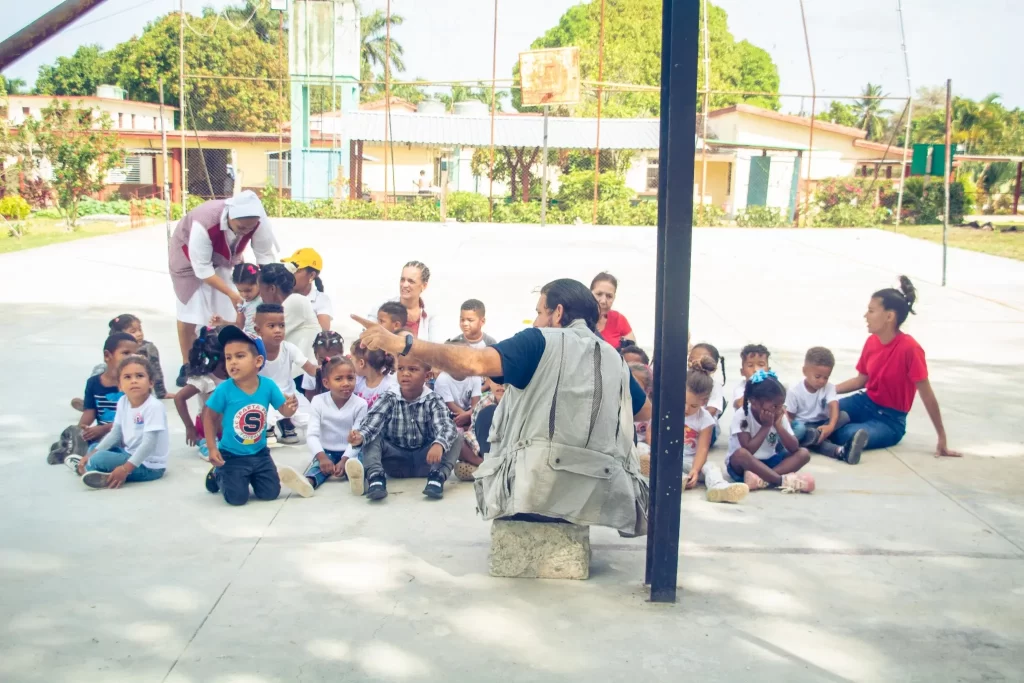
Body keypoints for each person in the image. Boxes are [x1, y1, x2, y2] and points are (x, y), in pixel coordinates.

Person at [351, 278, 653, 535]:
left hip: (540, 490)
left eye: (539, 312)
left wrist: (403, 345)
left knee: (490, 420)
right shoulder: (615, 359)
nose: (535, 320)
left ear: (557, 313)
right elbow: (642, 412)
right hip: (600, 493)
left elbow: (474, 361)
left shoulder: (539, 340)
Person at [833, 276, 959, 458]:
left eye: (871, 311)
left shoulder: (910, 349)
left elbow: (927, 394)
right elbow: (861, 380)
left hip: (890, 420)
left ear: (889, 316)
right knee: (824, 410)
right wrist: (826, 391)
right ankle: (830, 426)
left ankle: (835, 430)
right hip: (865, 402)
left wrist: (942, 437)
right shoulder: (872, 341)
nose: (865, 316)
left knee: (846, 433)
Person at [168, 190, 276, 387]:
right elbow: (202, 269)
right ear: (230, 217)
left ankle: (220, 361)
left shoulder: (258, 220)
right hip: (189, 261)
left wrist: (268, 290)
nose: (245, 231)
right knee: (190, 312)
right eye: (241, 227)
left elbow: (264, 256)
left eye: (249, 228)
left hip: (226, 260)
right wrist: (231, 293)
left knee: (225, 312)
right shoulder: (205, 221)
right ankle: (188, 364)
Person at [202, 326, 298, 506]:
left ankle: (250, 476)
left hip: (260, 453)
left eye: (240, 356)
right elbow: (209, 417)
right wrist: (212, 448)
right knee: (237, 499)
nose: (232, 362)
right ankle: (218, 474)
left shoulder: (268, 385)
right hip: (231, 455)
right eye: (228, 357)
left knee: (270, 494)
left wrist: (290, 409)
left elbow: (283, 410)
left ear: (258, 361)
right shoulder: (224, 389)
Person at [348, 356, 462, 501]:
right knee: (372, 435)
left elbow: (445, 425)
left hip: (426, 462)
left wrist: (439, 444)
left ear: (427, 376)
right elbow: (372, 422)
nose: (405, 373)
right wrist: (360, 437)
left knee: (456, 435)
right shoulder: (388, 398)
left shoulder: (434, 400)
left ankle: (437, 477)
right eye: (401, 369)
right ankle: (375, 478)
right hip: (396, 463)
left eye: (412, 369)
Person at [70, 356, 170, 489]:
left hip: (149, 466)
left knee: (98, 459)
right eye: (127, 377)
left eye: (139, 376)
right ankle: (91, 466)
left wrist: (124, 470)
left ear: (151, 382)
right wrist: (90, 454)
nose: (134, 381)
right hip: (128, 454)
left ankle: (93, 469)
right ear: (120, 385)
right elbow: (115, 434)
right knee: (94, 448)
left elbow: (149, 444)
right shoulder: (123, 402)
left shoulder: (153, 407)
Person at [279, 356, 369, 498]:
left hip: (352, 451)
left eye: (350, 378)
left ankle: (355, 478)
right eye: (339, 379)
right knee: (318, 468)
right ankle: (307, 482)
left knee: (358, 463)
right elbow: (312, 435)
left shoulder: (360, 404)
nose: (346, 383)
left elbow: (357, 437)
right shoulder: (318, 401)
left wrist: (345, 459)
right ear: (326, 383)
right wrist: (321, 458)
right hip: (327, 451)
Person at [48, 333, 139, 465]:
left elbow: (136, 418)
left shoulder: (135, 385)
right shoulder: (94, 382)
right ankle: (73, 447)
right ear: (107, 356)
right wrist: (82, 431)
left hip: (127, 433)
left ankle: (74, 453)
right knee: (74, 432)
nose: (132, 358)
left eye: (135, 354)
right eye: (126, 353)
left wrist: (104, 429)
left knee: (103, 447)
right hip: (102, 433)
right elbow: (90, 412)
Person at [726, 370, 815, 494]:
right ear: (754, 402)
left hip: (770, 463)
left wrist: (779, 427)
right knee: (741, 454)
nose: (779, 410)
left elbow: (794, 448)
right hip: (745, 466)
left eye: (781, 405)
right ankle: (781, 481)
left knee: (803, 453)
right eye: (774, 406)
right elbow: (748, 450)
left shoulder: (778, 414)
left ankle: (762, 480)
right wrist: (766, 426)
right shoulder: (742, 415)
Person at [70, 314, 173, 410]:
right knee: (100, 368)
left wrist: (161, 392)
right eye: (133, 331)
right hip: (116, 378)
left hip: (138, 381)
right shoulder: (115, 347)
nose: (139, 334)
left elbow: (156, 369)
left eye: (140, 330)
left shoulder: (148, 347)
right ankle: (89, 403)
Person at [254, 303, 317, 444]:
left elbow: (310, 368)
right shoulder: (253, 350)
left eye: (281, 325)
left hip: (288, 394)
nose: (278, 330)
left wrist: (327, 370)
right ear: (258, 330)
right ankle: (266, 427)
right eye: (271, 326)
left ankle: (286, 423)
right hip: (263, 394)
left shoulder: (289, 348)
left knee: (307, 413)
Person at [786, 346, 857, 463]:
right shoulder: (795, 390)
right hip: (805, 426)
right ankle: (840, 451)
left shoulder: (829, 387)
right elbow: (789, 416)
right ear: (805, 371)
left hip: (823, 424)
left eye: (826, 377)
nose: (822, 381)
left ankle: (816, 437)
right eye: (817, 377)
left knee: (843, 415)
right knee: (813, 437)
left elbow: (833, 405)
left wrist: (830, 426)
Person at [258, 263, 320, 386]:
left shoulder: (295, 301)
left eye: (261, 290)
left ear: (272, 289)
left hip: (303, 376)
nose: (260, 295)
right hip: (295, 375)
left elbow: (264, 338)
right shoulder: (288, 304)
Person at [173, 327, 227, 460]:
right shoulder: (205, 380)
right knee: (214, 402)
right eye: (227, 359)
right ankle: (208, 443)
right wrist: (189, 427)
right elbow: (179, 398)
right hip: (209, 425)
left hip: (230, 425)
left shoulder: (234, 375)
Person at [373, 261, 440, 341]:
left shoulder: (431, 315)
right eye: (402, 280)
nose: (404, 285)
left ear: (424, 286)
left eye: (411, 281)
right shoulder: (381, 308)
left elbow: (435, 347)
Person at [457, 377, 504, 481]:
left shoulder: (518, 401)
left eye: (504, 380)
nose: (500, 384)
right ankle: (486, 465)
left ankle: (490, 469)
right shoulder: (485, 401)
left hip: (505, 449)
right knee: (457, 441)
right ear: (489, 383)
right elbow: (474, 431)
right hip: (483, 448)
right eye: (496, 380)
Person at [281, 248, 333, 331]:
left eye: (297, 270)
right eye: (291, 269)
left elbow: (322, 332)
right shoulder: (280, 295)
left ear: (312, 275)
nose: (291, 274)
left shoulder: (321, 299)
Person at [591, 272, 636, 350]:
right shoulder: (579, 320)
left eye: (609, 296)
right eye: (599, 294)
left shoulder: (619, 320)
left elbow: (632, 355)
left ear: (614, 298)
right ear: (590, 294)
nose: (603, 301)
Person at [350, 340, 397, 409]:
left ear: (361, 363)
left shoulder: (389, 387)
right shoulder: (357, 381)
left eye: (352, 359)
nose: (350, 363)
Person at [303, 330, 345, 399]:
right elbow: (310, 397)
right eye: (322, 360)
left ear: (342, 353)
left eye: (333, 359)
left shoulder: (349, 369)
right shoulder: (310, 373)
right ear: (315, 355)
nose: (328, 364)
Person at [732, 343, 771, 409]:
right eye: (750, 365)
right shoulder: (740, 388)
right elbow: (739, 404)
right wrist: (754, 386)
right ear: (742, 372)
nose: (755, 370)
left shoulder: (773, 386)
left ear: (768, 370)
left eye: (761, 365)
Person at [231, 263, 262, 335]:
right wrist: (222, 322)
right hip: (250, 337)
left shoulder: (264, 298)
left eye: (248, 290)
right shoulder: (242, 301)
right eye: (240, 291)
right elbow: (240, 325)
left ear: (259, 281)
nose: (244, 295)